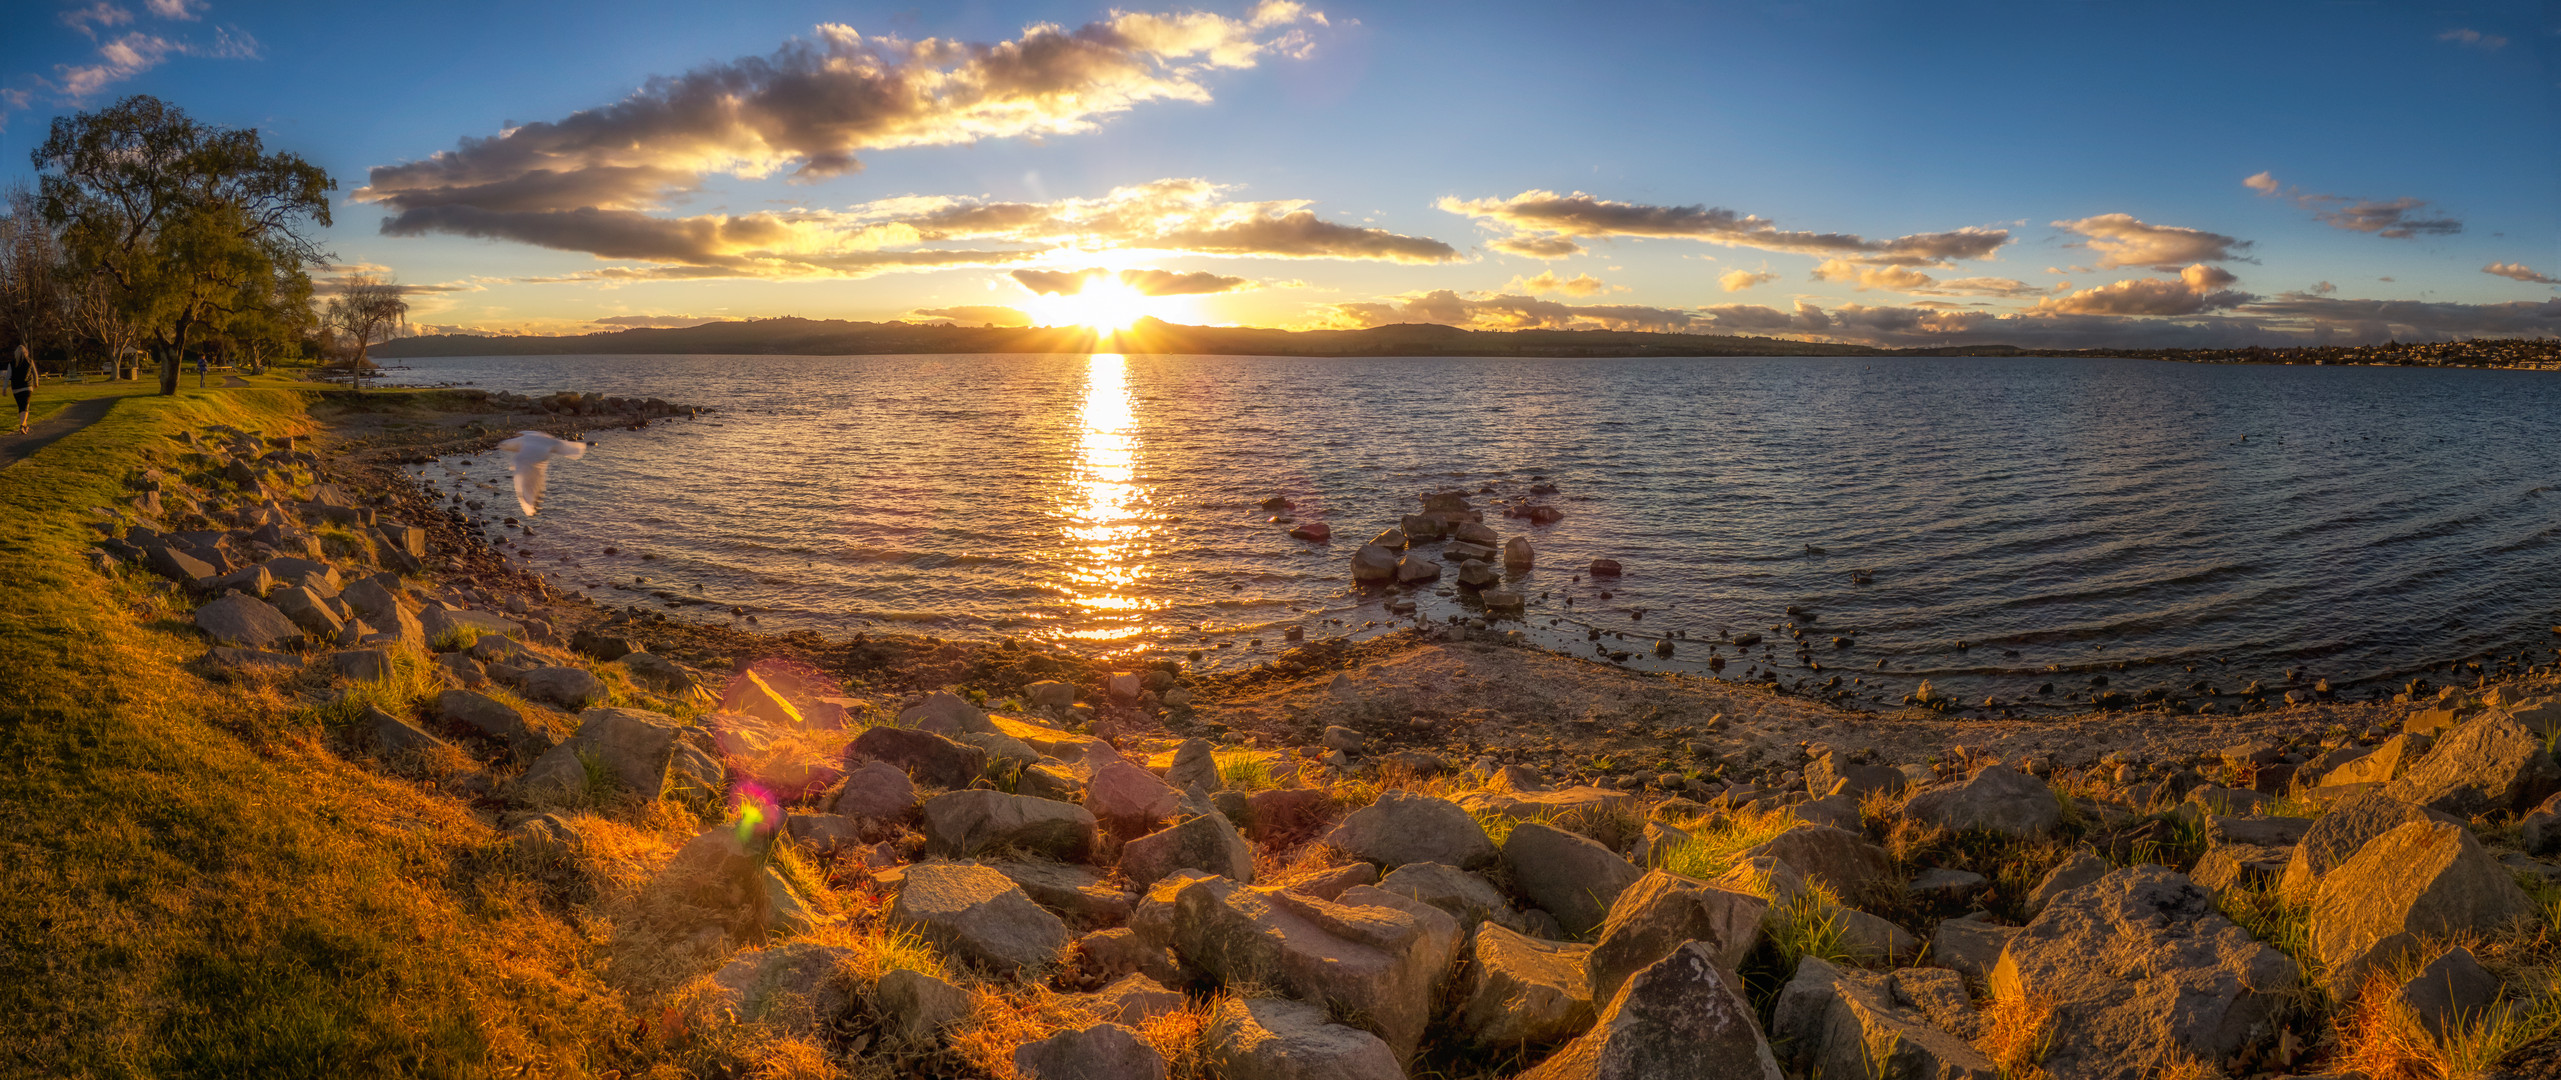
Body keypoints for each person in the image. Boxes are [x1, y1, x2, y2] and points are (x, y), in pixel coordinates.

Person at [9, 345, 36, 435]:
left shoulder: (12, 363)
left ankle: (25, 426)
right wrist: (36, 382)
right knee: (25, 407)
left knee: (22, 407)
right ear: (26, 352)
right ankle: (22, 425)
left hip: (15, 389)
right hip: (27, 387)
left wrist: (4, 387)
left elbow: (8, 377)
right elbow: (35, 373)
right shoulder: (29, 361)